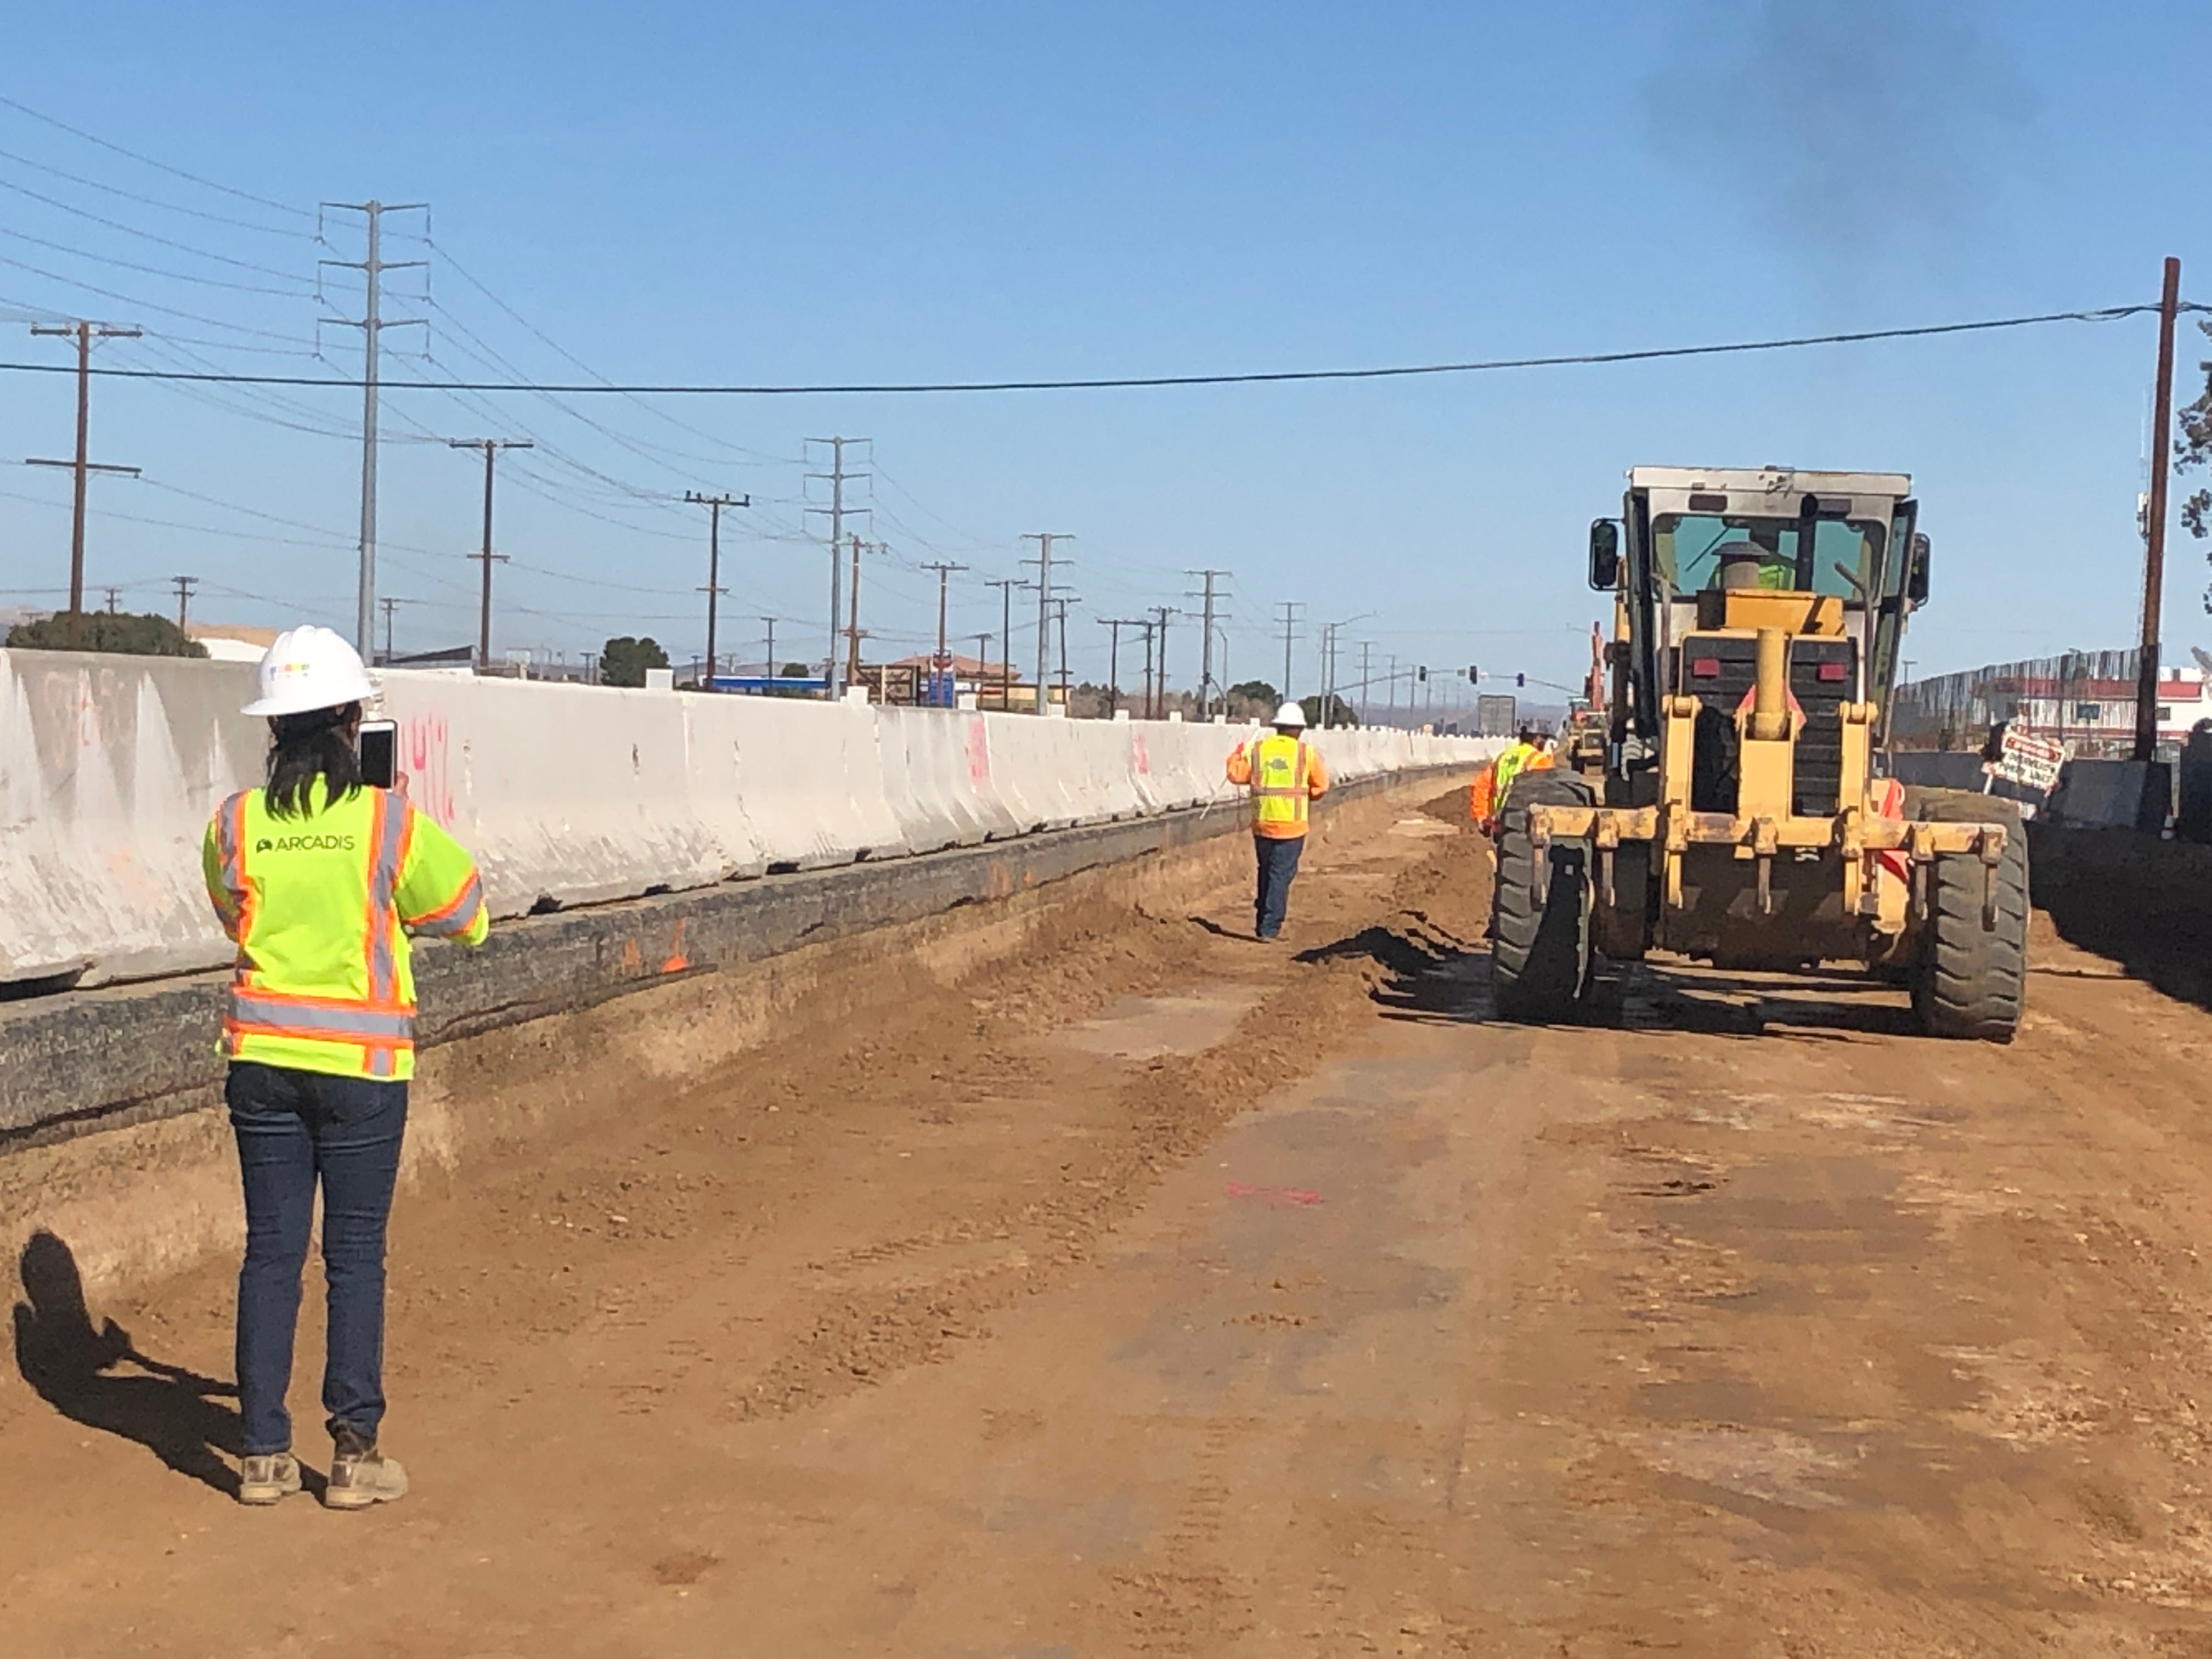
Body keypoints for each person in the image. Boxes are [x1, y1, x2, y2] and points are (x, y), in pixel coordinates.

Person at [201, 625, 489, 1509]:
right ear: (352, 722)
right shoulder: (387, 820)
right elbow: (468, 910)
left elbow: (233, 914)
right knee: (355, 1255)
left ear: (275, 730)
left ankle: (260, 1454)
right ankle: (354, 1455)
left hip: (261, 1065)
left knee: (272, 1254)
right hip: (362, 1070)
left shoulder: (235, 824)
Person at [1225, 701, 1331, 940]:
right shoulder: (1306, 753)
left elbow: (1236, 775)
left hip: (1262, 823)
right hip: (1292, 826)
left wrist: (1237, 753)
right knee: (1280, 875)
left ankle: (1263, 917)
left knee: (1266, 871)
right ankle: (1269, 927)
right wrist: (1307, 797)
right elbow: (1322, 786)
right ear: (1300, 729)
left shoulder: (1259, 749)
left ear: (1277, 727)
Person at [1468, 726, 1555, 836]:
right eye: (1544, 739)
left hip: (1500, 824)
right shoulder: (1540, 760)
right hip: (1525, 825)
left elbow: (1482, 785)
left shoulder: (1503, 757)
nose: (1545, 743)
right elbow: (1550, 794)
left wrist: (1482, 818)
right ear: (1536, 739)